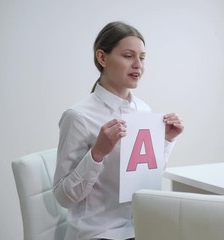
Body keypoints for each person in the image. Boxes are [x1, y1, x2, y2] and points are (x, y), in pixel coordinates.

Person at [53, 21, 184, 240]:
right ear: (102, 58)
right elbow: (63, 197)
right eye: (128, 56)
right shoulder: (78, 116)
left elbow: (144, 177)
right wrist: (97, 154)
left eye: (142, 58)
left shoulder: (143, 110)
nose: (138, 65)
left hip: (138, 227)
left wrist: (167, 141)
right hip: (97, 233)